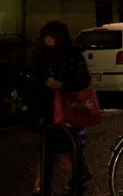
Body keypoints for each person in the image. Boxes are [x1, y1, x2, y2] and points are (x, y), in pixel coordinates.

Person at [31, 20, 93, 194]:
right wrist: (45, 82)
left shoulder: (72, 54)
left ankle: (73, 177)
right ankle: (44, 184)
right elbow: (33, 76)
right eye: (46, 37)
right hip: (48, 110)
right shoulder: (40, 54)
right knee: (49, 148)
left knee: (66, 145)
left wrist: (64, 84)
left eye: (52, 37)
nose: (48, 41)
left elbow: (83, 79)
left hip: (69, 108)